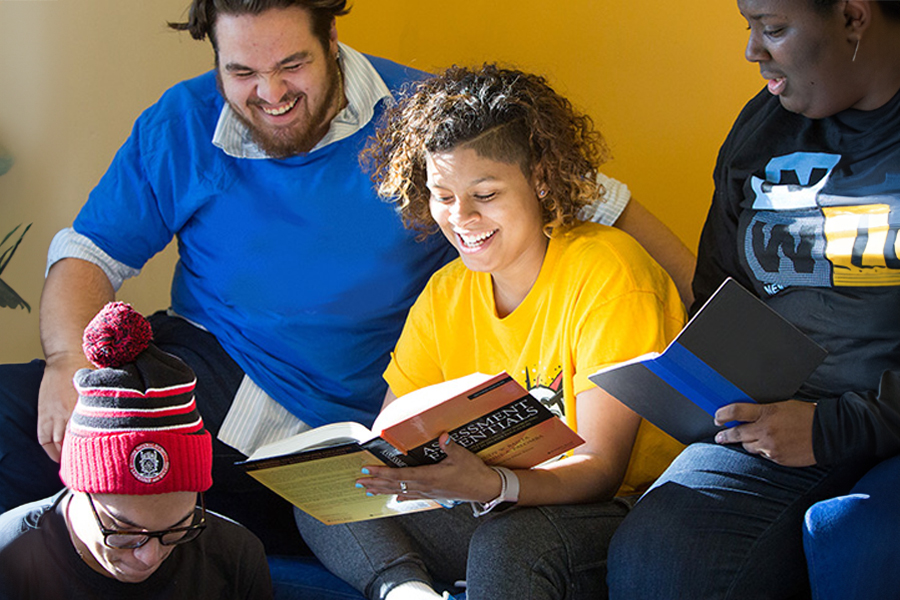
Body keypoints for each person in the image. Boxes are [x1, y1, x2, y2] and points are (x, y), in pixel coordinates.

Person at [0, 0, 694, 553]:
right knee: (17, 415)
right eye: (241, 72)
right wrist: (67, 361)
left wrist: (720, 336)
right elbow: (89, 253)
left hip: (343, 425)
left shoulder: (423, 115)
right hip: (211, 374)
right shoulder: (182, 119)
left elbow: (594, 199)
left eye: (292, 64)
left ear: (331, 37)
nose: (269, 92)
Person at [294, 64, 686, 600]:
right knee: (324, 497)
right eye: (444, 195)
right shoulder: (445, 291)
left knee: (510, 539)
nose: (462, 218)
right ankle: (408, 593)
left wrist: (495, 485)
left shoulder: (609, 272)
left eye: (485, 193)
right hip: (481, 504)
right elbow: (394, 433)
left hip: (605, 513)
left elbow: (601, 469)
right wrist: (410, 474)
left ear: (540, 179)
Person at [607, 1, 900, 598]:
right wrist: (709, 386)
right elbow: (721, 288)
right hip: (778, 416)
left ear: (852, 16)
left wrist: (838, 429)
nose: (752, 51)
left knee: (863, 544)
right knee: (658, 555)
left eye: (773, 29)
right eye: (749, 27)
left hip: (875, 416)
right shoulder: (763, 126)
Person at [0, 302, 272, 599]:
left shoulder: (236, 557)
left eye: (177, 529)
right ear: (78, 488)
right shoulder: (10, 558)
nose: (149, 557)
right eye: (124, 532)